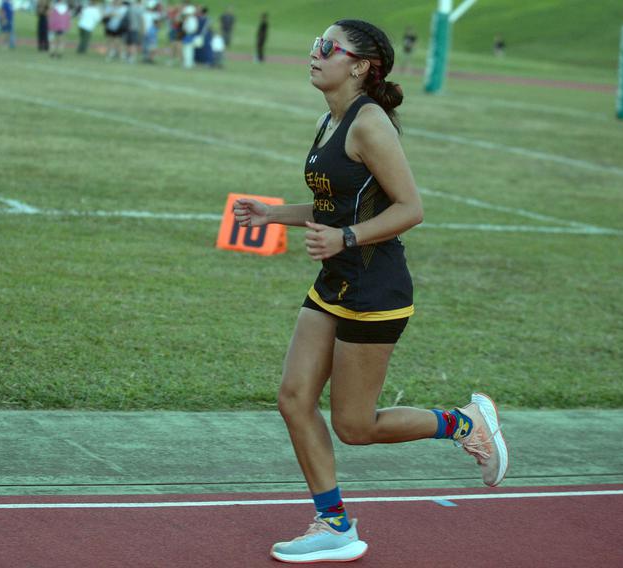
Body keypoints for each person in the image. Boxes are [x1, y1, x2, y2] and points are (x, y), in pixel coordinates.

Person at [232, 19, 508, 564]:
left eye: (328, 47)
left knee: (355, 426)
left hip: (375, 289)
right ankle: (333, 524)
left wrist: (345, 238)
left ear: (360, 66)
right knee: (293, 399)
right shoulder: (328, 118)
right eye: (316, 42)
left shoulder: (370, 123)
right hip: (336, 282)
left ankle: (463, 423)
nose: (315, 52)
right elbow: (337, 204)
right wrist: (274, 215)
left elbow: (411, 209)